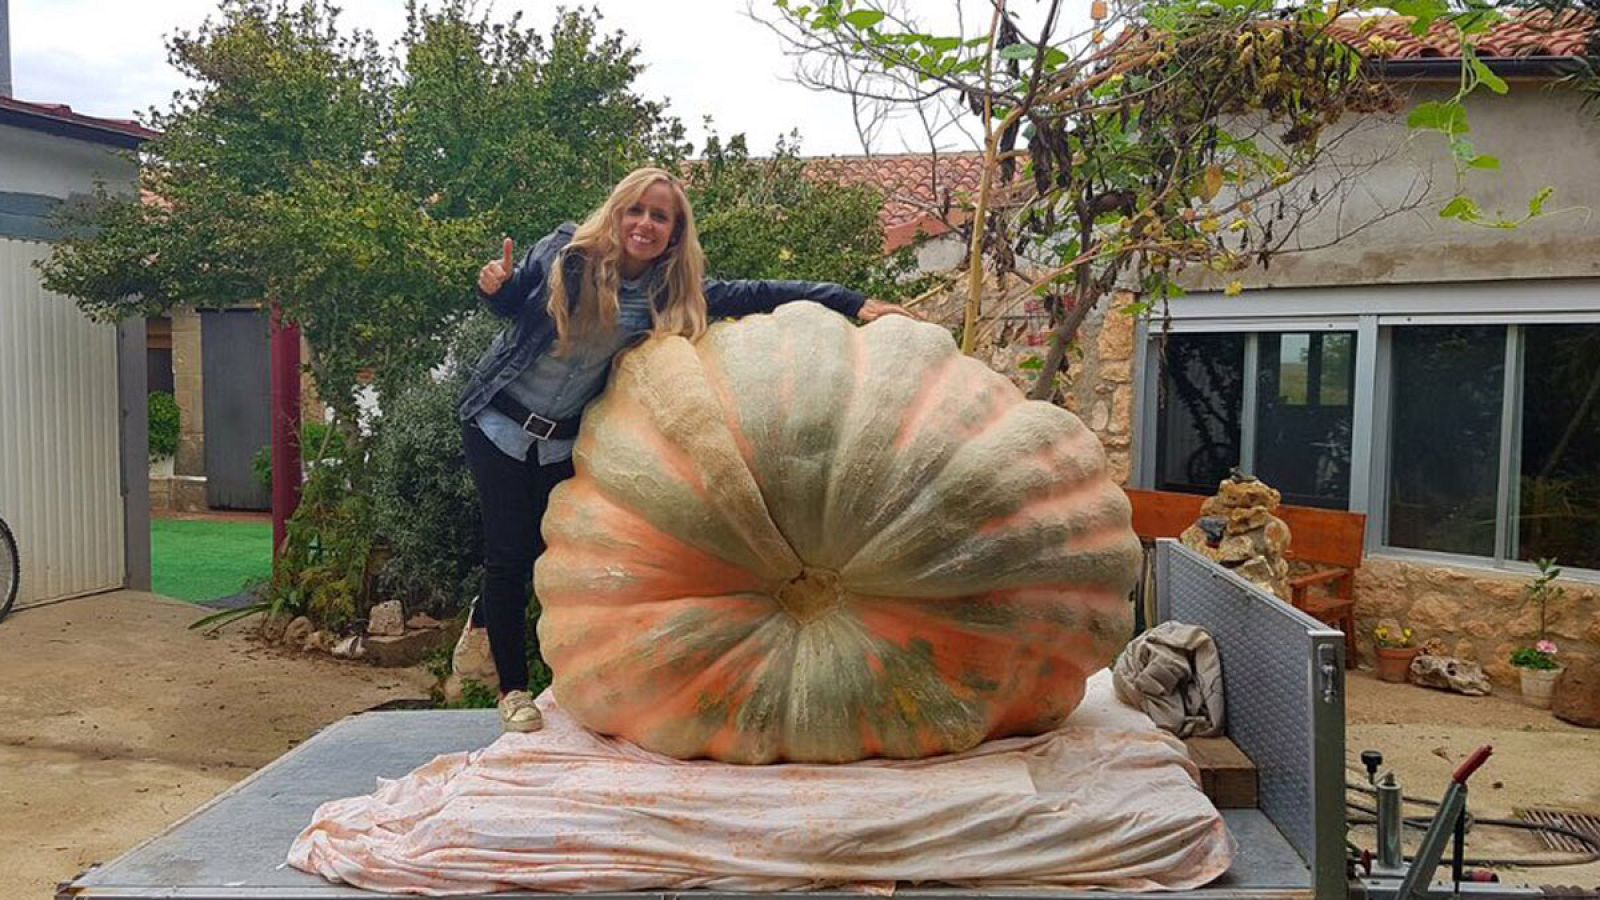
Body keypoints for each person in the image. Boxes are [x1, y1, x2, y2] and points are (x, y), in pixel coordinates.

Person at [456, 166, 915, 732]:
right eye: (637, 210)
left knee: (555, 552)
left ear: (674, 233)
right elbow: (513, 305)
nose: (645, 224)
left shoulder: (667, 293)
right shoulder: (565, 254)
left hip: (561, 440)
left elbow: (758, 292)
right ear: (618, 213)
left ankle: (506, 632)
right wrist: (494, 287)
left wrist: (852, 302)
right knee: (509, 554)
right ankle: (513, 690)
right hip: (497, 423)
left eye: (660, 216)